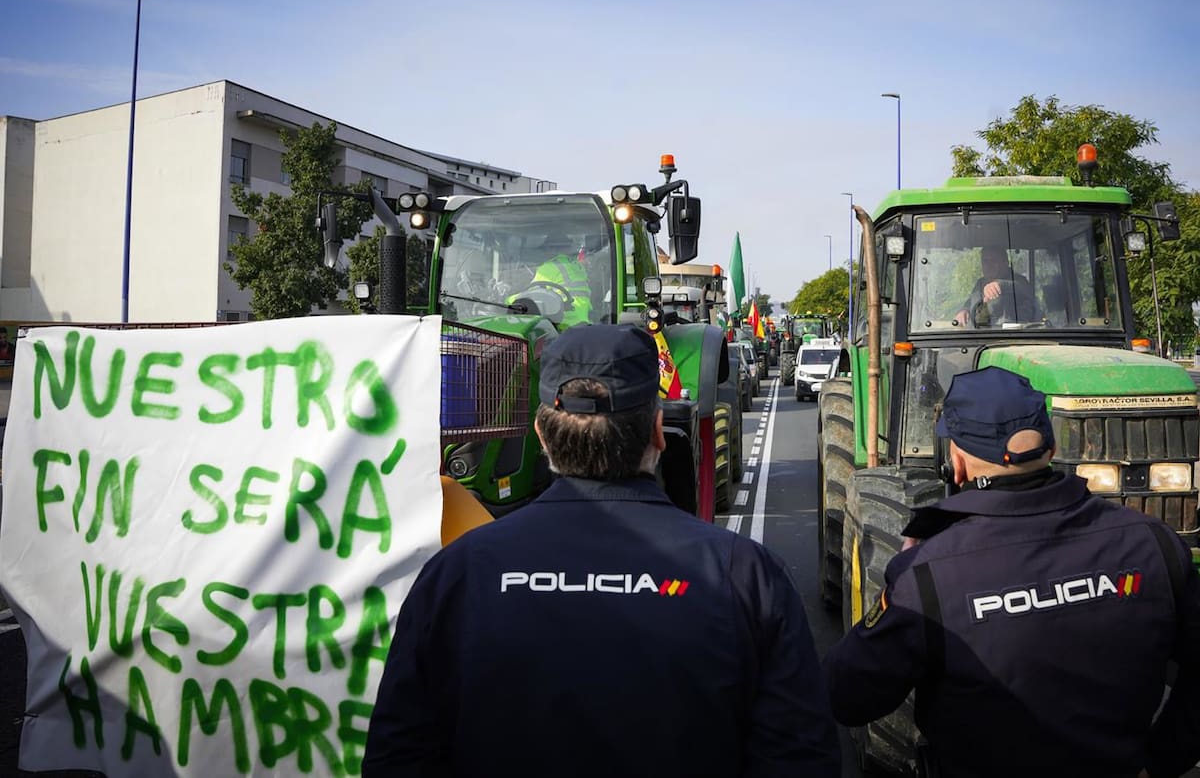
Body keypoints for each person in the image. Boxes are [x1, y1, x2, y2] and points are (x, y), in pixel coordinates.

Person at [365, 324, 840, 777]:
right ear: (658, 431)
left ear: (541, 434)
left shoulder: (456, 574)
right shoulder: (747, 575)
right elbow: (800, 756)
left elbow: (399, 755)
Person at [823, 366, 1200, 778]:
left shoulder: (928, 577)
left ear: (956, 461)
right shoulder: (1157, 544)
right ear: (1051, 448)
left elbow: (847, 696)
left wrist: (900, 582)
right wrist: (1160, 762)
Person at [506, 230, 592, 327]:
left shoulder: (551, 266)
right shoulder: (576, 265)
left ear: (551, 249)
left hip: (565, 322)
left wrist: (507, 301)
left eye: (546, 249)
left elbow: (532, 296)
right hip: (583, 319)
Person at [953, 244, 1042, 327]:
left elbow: (1024, 290)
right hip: (979, 334)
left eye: (993, 261)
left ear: (1005, 263)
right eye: (985, 261)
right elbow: (971, 301)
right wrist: (964, 310)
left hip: (1015, 335)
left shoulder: (1020, 281)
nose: (988, 265)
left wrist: (1000, 285)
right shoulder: (980, 283)